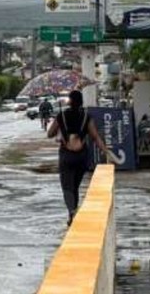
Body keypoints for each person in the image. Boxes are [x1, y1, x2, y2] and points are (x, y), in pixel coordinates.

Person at [47, 90, 110, 226]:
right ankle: (73, 211)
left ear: (70, 101)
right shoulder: (86, 116)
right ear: (81, 101)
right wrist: (105, 151)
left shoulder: (61, 115)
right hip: (82, 156)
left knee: (67, 186)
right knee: (75, 185)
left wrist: (60, 131)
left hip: (66, 155)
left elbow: (50, 134)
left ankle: (72, 212)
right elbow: (95, 136)